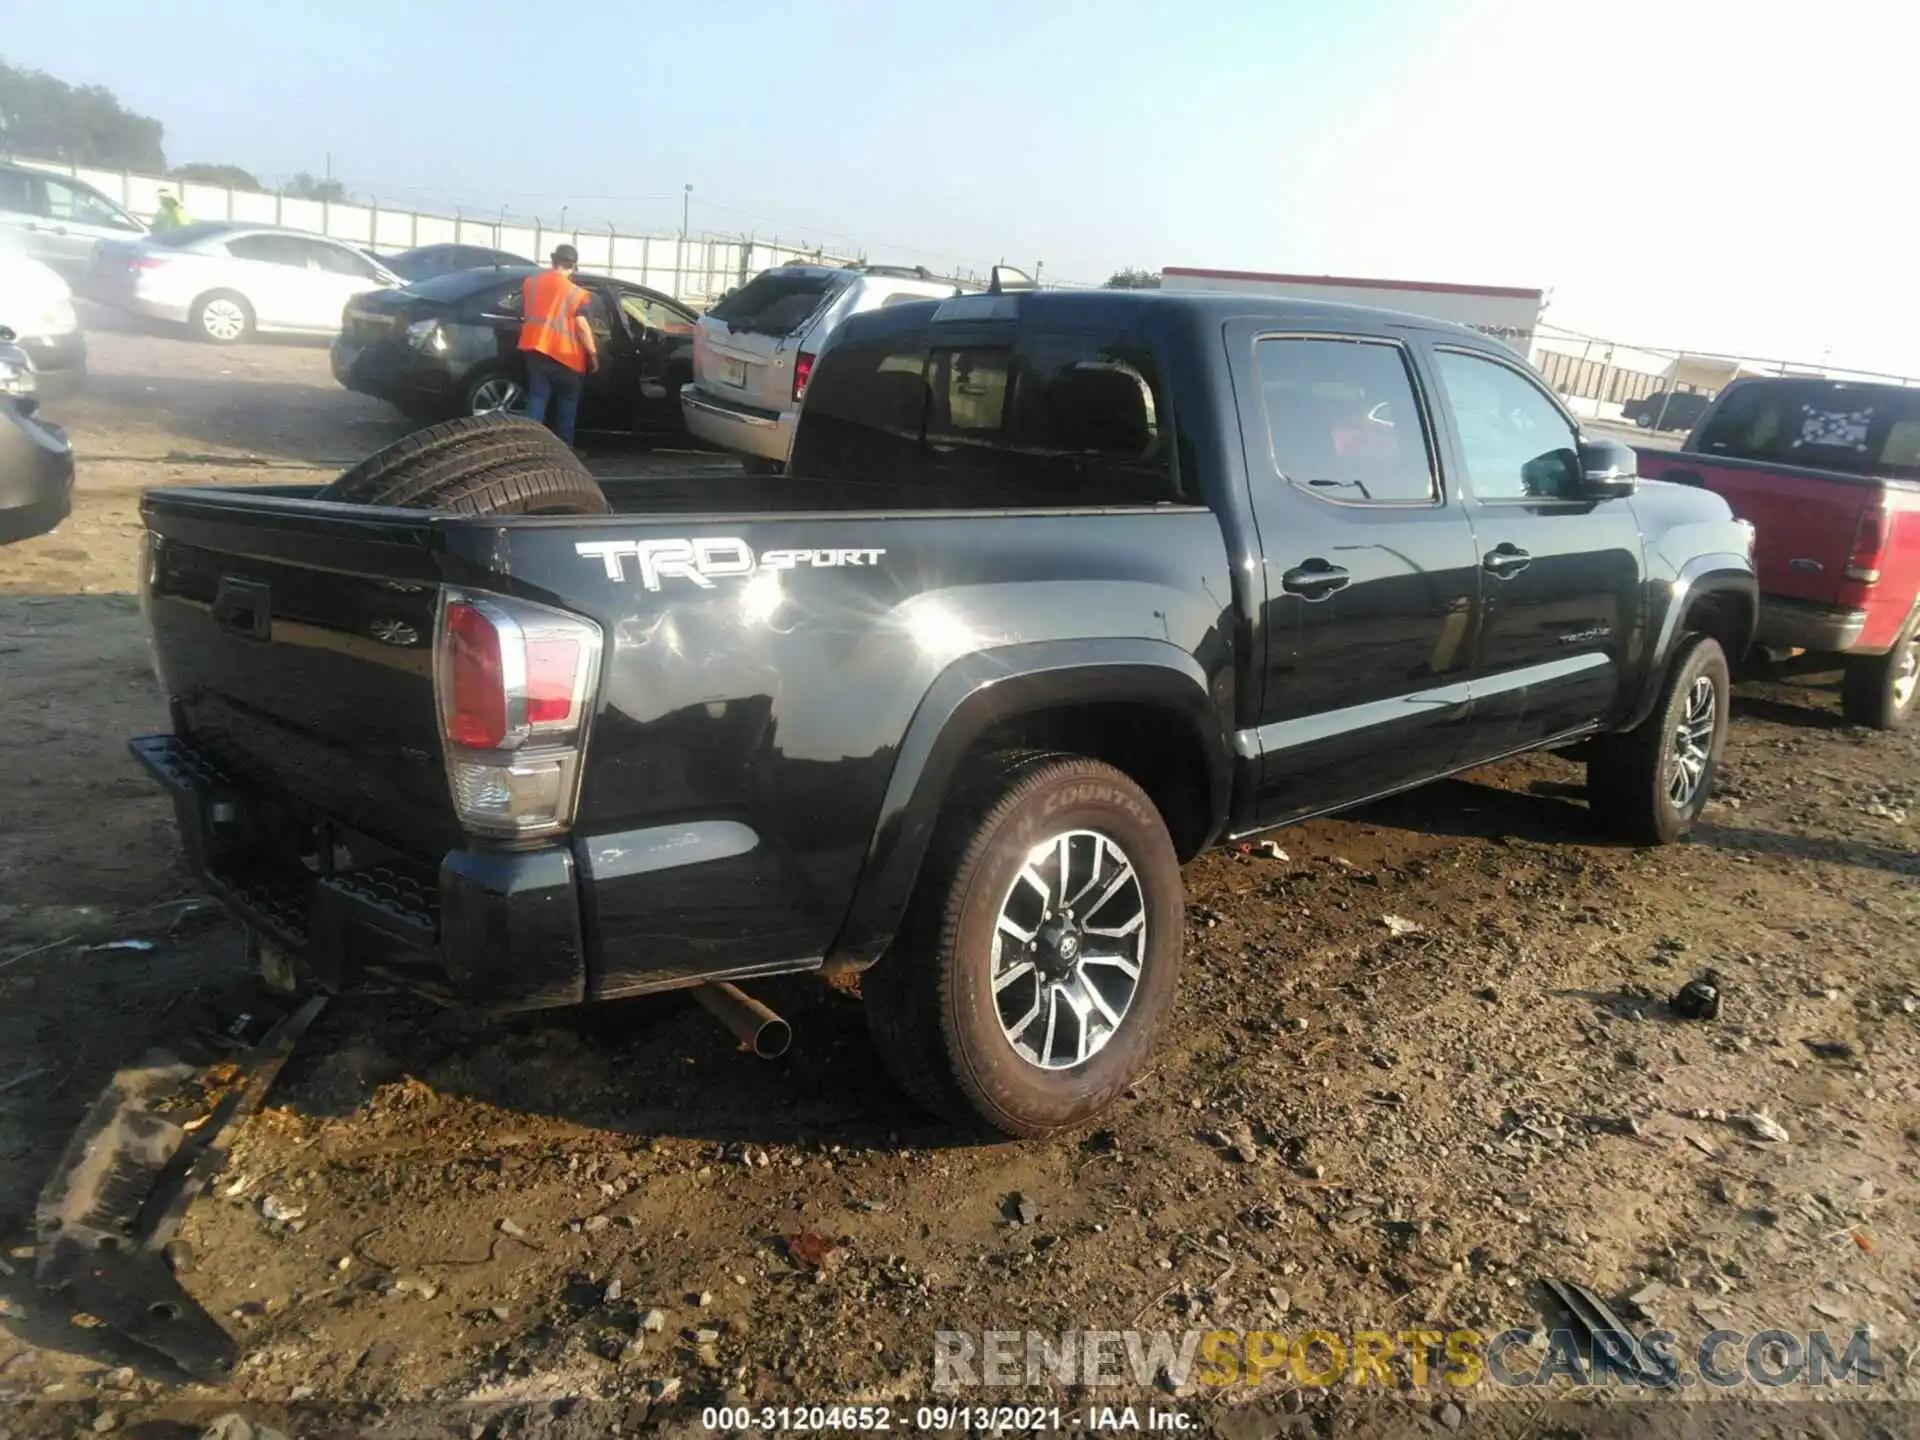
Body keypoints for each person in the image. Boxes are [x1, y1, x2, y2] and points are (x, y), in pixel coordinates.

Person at [517, 244, 598, 446]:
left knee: (537, 399)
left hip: (535, 348)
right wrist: (593, 354)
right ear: (572, 265)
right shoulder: (576, 293)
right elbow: (581, 325)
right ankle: (564, 452)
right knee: (567, 405)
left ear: (553, 261)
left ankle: (529, 446)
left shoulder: (531, 283)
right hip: (566, 356)